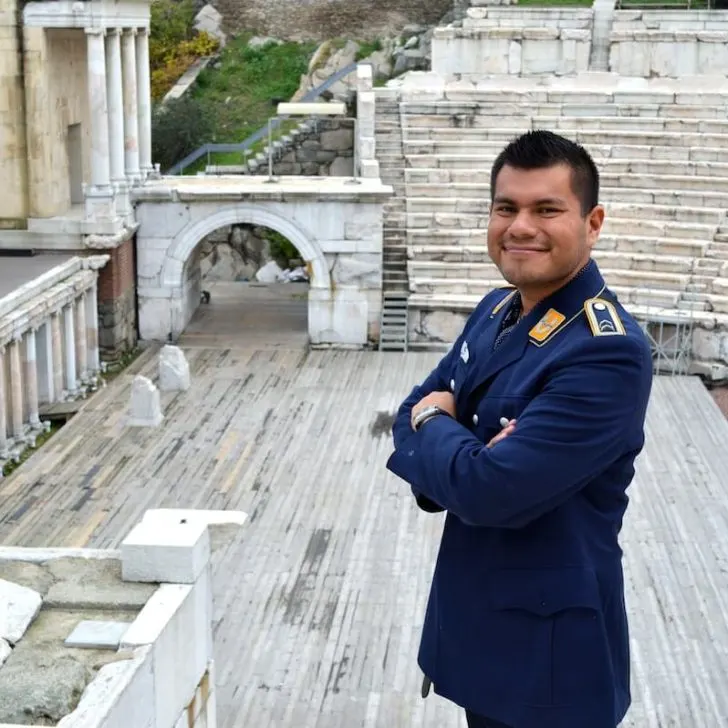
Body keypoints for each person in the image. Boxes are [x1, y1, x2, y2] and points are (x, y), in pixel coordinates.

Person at [386, 130, 653, 728]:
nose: (520, 227)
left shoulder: (606, 352)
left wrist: (439, 421)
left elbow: (490, 489)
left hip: (549, 665)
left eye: (547, 209)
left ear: (593, 222)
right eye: (506, 208)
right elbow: (407, 416)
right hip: (481, 625)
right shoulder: (495, 309)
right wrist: (458, 450)